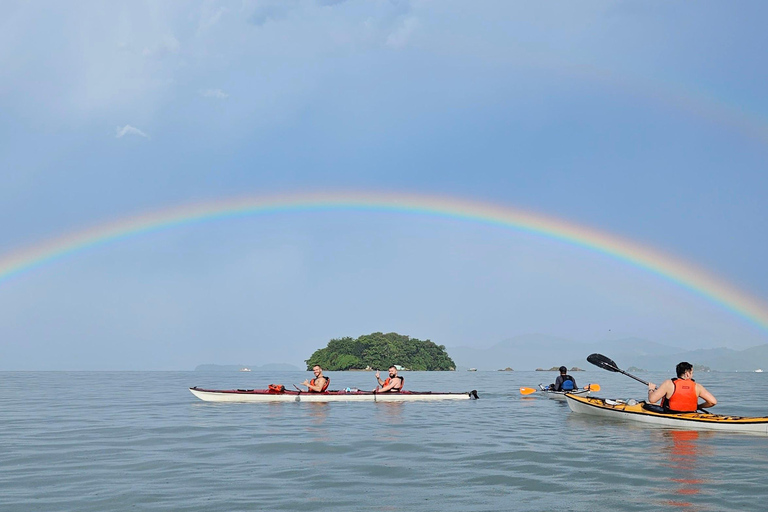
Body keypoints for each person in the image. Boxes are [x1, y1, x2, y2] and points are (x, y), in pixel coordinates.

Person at [647, 362, 717, 412]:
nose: (692, 375)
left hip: (671, 413)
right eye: (692, 373)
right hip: (690, 414)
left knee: (645, 405)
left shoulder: (668, 384)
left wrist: (651, 389)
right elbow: (712, 402)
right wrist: (698, 407)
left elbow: (652, 400)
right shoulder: (698, 387)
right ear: (687, 374)